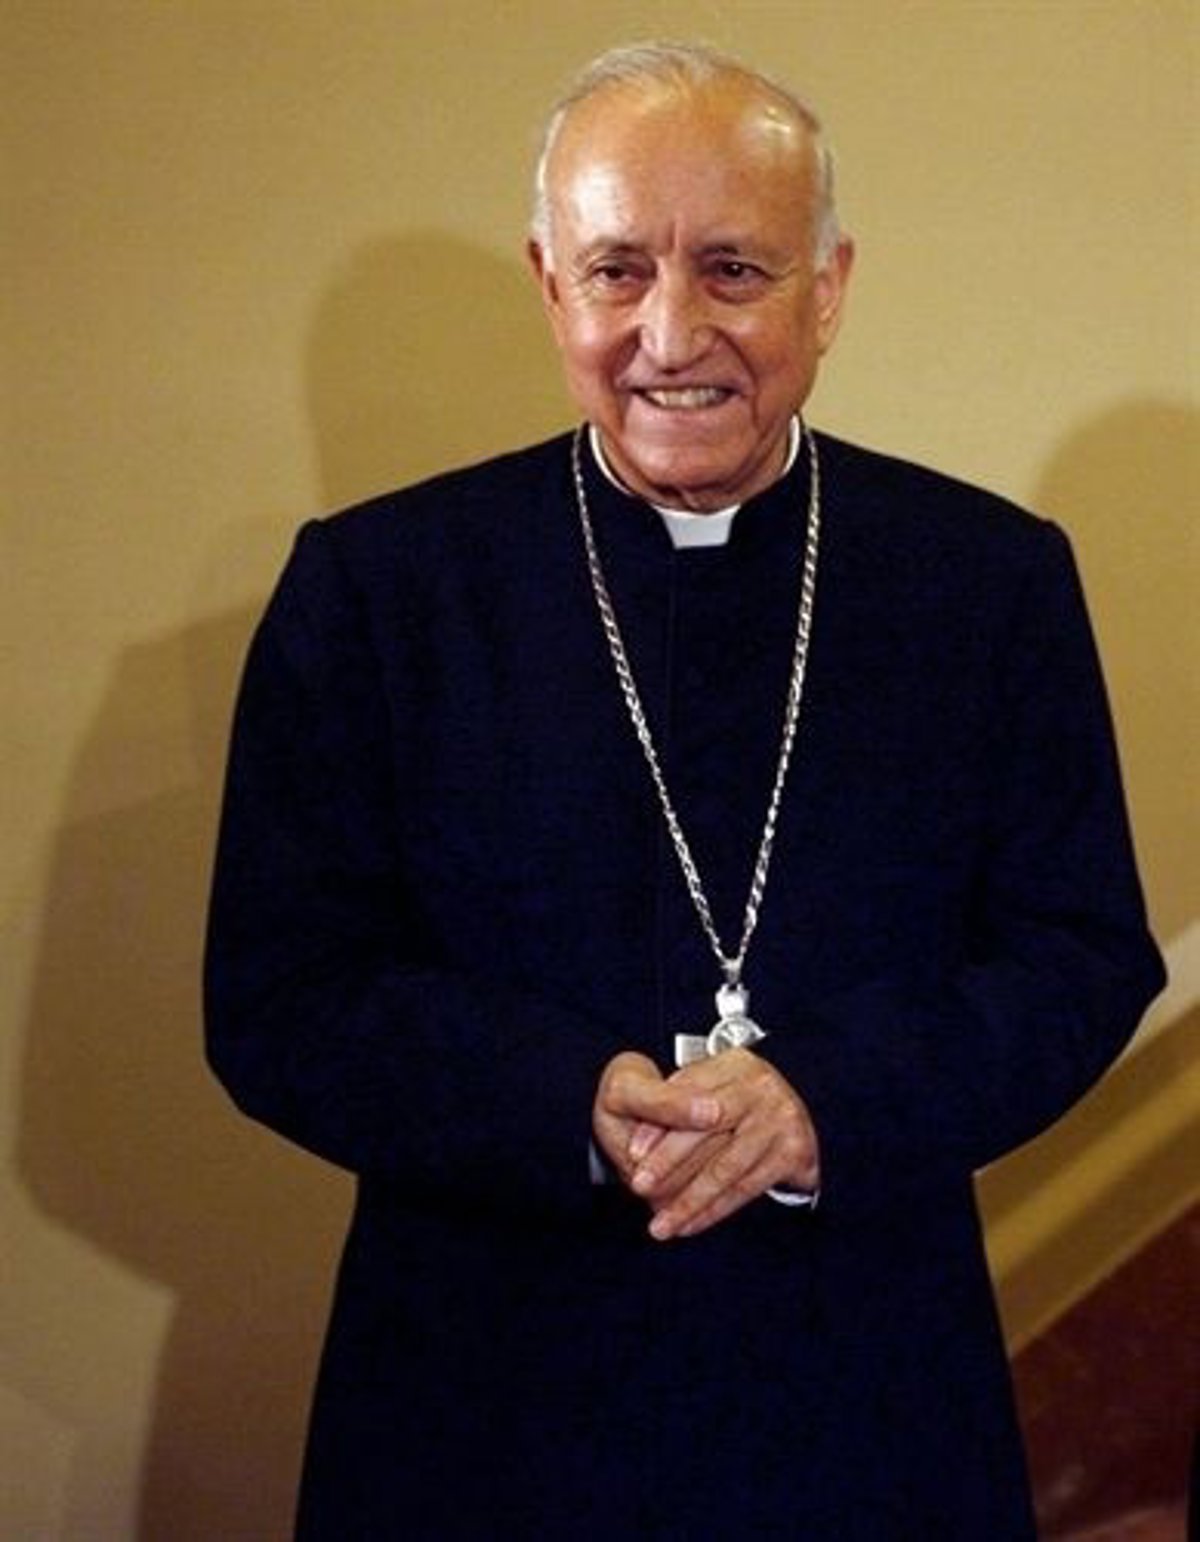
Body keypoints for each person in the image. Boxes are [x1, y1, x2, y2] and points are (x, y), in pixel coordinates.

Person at [205, 41, 1164, 1540]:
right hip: (481, 1399)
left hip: (864, 1386)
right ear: (551, 286)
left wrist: (828, 1097)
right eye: (616, 272)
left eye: (733, 269)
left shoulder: (984, 582)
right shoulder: (381, 591)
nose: (671, 333)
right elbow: (280, 993)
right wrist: (562, 1099)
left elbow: (1081, 953)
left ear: (827, 288)